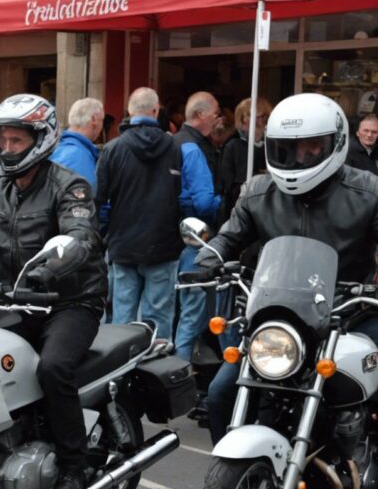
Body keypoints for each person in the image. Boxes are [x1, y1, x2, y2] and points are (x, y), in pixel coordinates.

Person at [200, 93, 378, 489]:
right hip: (283, 319)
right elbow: (228, 236)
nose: (300, 157)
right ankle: (233, 485)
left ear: (335, 143)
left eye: (312, 147)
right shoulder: (257, 192)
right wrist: (208, 257)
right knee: (220, 391)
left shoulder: (371, 191)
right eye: (288, 149)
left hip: (353, 312)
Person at [0, 93, 107, 489]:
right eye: (4, 140)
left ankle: (73, 468)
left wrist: (53, 264)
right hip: (15, 299)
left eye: (18, 140)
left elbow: (81, 235)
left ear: (41, 139)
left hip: (69, 301)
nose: (9, 148)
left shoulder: (70, 186)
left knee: (53, 368)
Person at [95, 87, 183, 338]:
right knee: (159, 319)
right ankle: (156, 372)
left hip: (123, 246)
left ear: (130, 112)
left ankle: (120, 373)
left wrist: (103, 236)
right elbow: (181, 195)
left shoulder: (112, 149)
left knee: (122, 318)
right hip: (163, 246)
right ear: (156, 112)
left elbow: (98, 199)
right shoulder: (174, 147)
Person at [172, 91, 223, 361]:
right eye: (215, 112)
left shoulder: (170, 143)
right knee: (193, 311)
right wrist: (225, 201)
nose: (218, 118)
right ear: (201, 114)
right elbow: (204, 203)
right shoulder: (193, 149)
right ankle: (180, 371)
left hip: (166, 238)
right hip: (193, 240)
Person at [218, 97, 272, 224]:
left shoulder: (270, 146)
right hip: (241, 217)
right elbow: (230, 187)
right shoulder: (234, 146)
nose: (266, 122)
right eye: (263, 117)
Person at [50, 97, 104, 192]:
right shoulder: (78, 156)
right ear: (93, 120)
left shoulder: (58, 147)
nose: (102, 125)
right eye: (102, 120)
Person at [345, 114, 378, 182]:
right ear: (357, 133)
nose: (369, 135)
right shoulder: (347, 152)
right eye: (366, 131)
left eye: (374, 132)